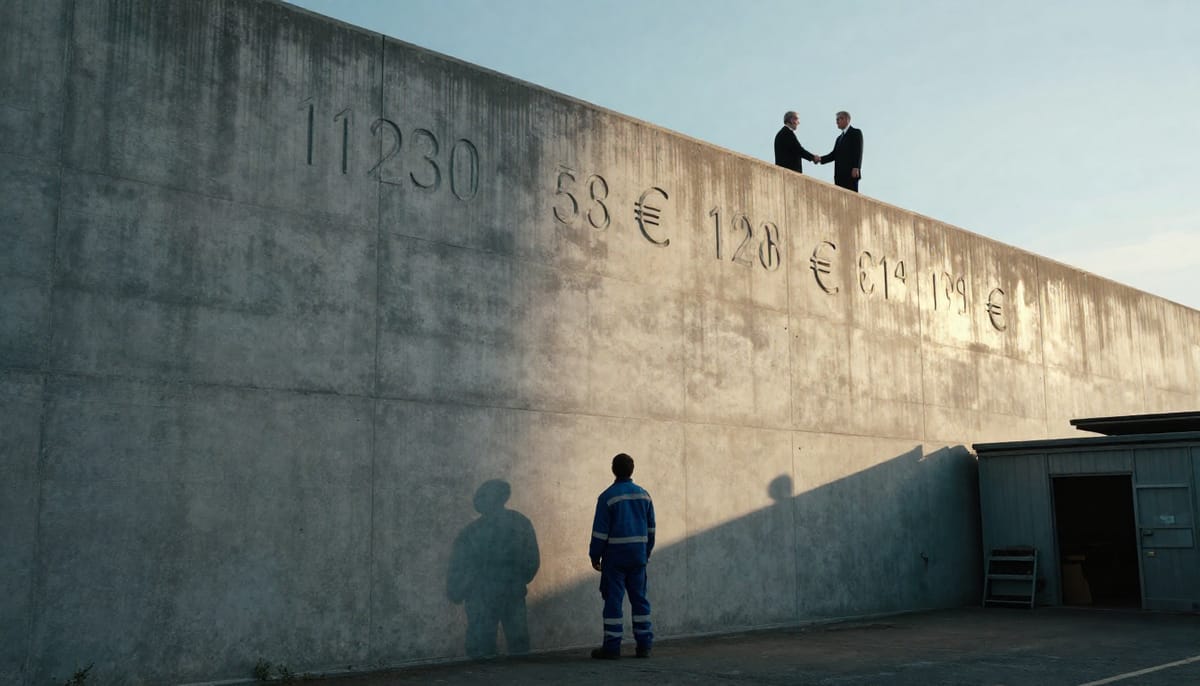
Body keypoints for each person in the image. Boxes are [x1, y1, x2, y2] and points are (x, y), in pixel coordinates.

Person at [447, 480, 540, 658]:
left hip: (483, 595)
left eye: (484, 496)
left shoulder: (471, 532)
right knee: (517, 645)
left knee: (483, 648)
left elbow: (459, 566)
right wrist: (517, 580)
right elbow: (532, 560)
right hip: (509, 591)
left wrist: (460, 590)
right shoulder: (520, 523)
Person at [589, 453, 655, 660]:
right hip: (638, 557)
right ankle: (644, 646)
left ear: (613, 469)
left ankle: (612, 647)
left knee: (613, 601)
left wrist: (595, 555)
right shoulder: (644, 495)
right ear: (632, 469)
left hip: (615, 558)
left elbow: (600, 532)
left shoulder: (607, 497)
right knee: (640, 600)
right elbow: (651, 528)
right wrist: (646, 552)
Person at [818, 110, 864, 192]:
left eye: (839, 119)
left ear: (847, 119)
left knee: (851, 198)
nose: (837, 121)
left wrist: (856, 167)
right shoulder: (839, 139)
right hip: (839, 175)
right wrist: (820, 159)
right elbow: (833, 155)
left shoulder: (855, 132)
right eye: (836, 120)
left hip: (851, 173)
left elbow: (858, 150)